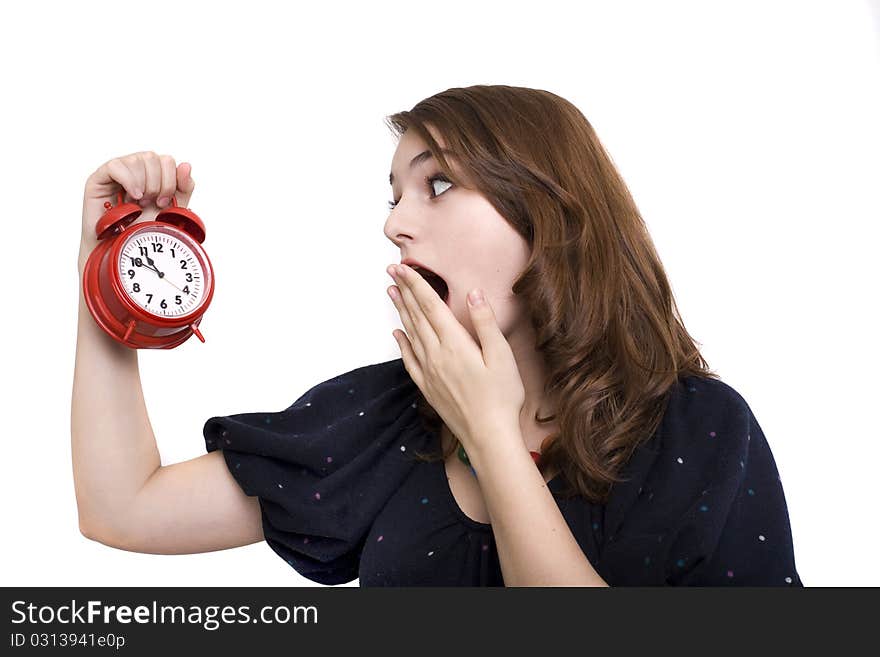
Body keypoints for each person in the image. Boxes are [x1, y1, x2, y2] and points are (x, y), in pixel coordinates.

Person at [72, 84, 803, 586]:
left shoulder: (700, 431)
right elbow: (124, 507)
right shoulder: (388, 416)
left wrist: (489, 432)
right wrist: (107, 259)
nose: (395, 224)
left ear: (551, 213)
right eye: (393, 198)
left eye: (440, 184)